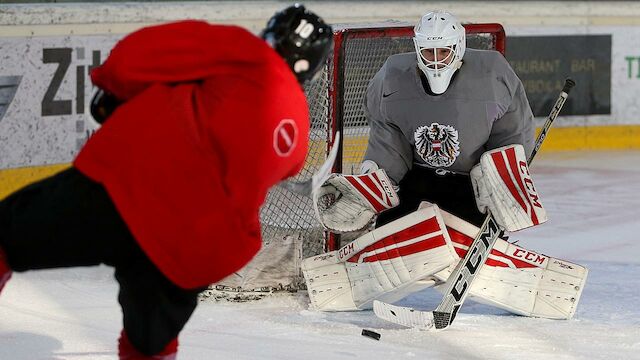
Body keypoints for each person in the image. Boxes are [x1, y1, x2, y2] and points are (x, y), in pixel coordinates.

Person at [0, 4, 332, 359]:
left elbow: (131, 60)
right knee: (149, 347)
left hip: (127, 194)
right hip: (193, 252)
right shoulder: (298, 127)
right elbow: (275, 166)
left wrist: (113, 90)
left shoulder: (245, 50)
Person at [305, 10, 585, 320]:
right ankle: (359, 275)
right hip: (419, 176)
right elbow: (389, 141)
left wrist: (502, 179)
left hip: (471, 184)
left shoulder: (493, 75)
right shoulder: (392, 77)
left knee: (471, 251)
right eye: (428, 51)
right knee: (388, 240)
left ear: (459, 48)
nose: (435, 59)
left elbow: (512, 135)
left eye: (443, 51)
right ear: (417, 49)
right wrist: (374, 181)